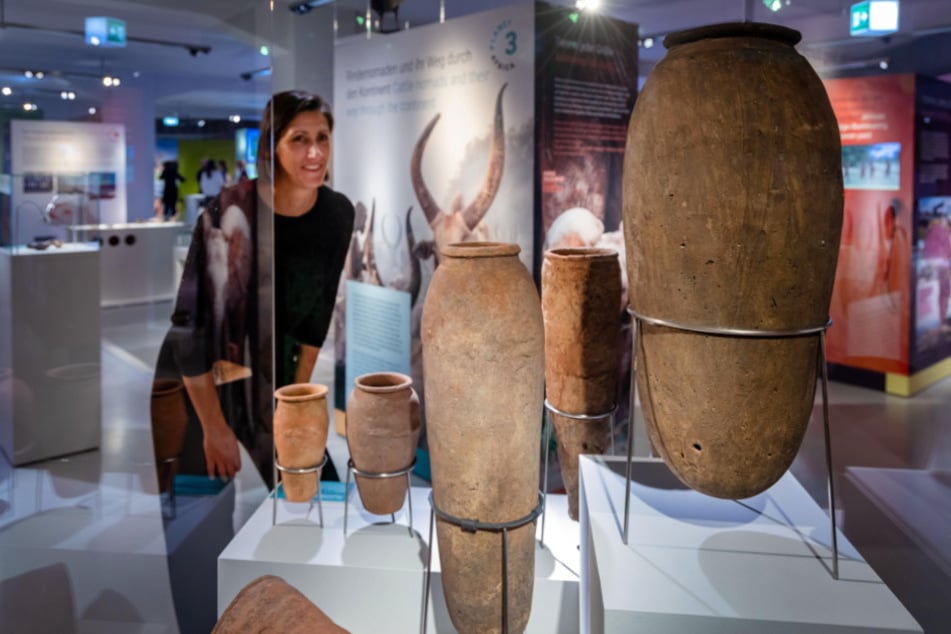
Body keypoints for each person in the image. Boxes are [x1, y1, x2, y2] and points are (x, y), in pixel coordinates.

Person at [151, 90, 354, 487]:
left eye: (322, 138)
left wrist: (294, 402)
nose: (315, 152)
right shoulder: (228, 209)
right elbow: (189, 328)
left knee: (318, 494)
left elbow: (316, 319)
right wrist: (213, 428)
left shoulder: (336, 214)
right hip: (198, 379)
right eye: (299, 139)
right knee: (198, 526)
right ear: (271, 146)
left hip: (268, 372)